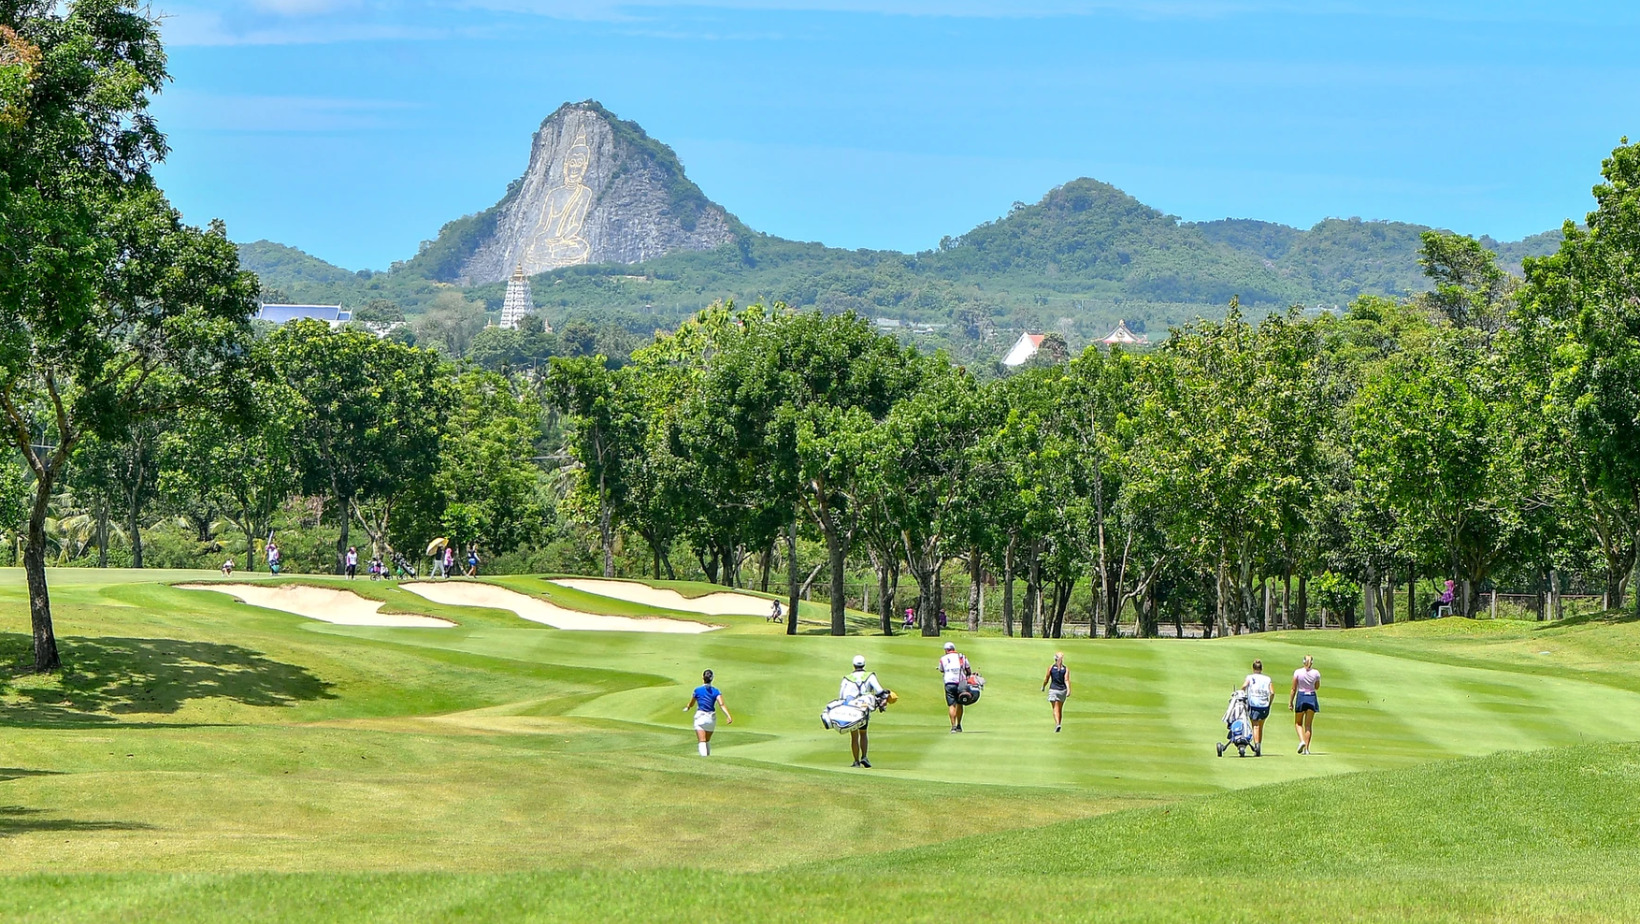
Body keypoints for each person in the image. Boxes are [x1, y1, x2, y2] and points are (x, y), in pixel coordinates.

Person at [840, 655, 885, 768]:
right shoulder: (869, 676)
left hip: (851, 709)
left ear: (853, 665)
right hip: (864, 708)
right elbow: (879, 690)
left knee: (854, 736)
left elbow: (841, 696)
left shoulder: (847, 678)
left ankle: (856, 761)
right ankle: (864, 757)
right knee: (863, 733)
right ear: (864, 664)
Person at [683, 669, 731, 757]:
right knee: (707, 740)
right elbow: (722, 704)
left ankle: (705, 759)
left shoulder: (697, 690)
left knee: (702, 740)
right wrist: (728, 716)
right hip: (711, 719)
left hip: (700, 717)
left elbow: (692, 703)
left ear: (702, 678)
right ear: (712, 678)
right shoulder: (716, 691)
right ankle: (708, 758)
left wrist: (688, 707)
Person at [1239, 659, 1274, 754]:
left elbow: (1244, 686)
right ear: (1261, 668)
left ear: (1253, 668)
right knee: (1260, 726)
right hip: (1264, 705)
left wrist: (1241, 695)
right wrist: (1269, 703)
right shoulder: (1267, 679)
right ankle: (1258, 746)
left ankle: (1257, 746)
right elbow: (1272, 692)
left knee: (1255, 726)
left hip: (1254, 704)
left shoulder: (1250, 677)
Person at [1290, 655, 1321, 755]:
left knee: (1298, 723)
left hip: (1301, 696)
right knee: (1308, 725)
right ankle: (1306, 749)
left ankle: (1302, 741)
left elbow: (1293, 688)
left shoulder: (1298, 672)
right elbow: (1316, 687)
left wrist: (1290, 702)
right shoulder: (1316, 673)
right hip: (1311, 697)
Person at [938, 641, 970, 733]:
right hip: (961, 682)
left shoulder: (943, 658)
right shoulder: (961, 656)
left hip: (949, 683)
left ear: (946, 650)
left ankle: (953, 726)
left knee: (952, 705)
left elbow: (941, 669)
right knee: (960, 703)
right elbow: (968, 669)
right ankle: (959, 725)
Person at [1041, 652, 1070, 732]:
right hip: (1062, 691)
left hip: (1053, 690)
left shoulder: (1051, 667)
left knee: (1055, 708)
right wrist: (1068, 690)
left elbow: (1047, 678)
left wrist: (1043, 686)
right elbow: (1066, 680)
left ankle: (1057, 724)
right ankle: (1059, 724)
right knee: (1060, 709)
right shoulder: (1066, 669)